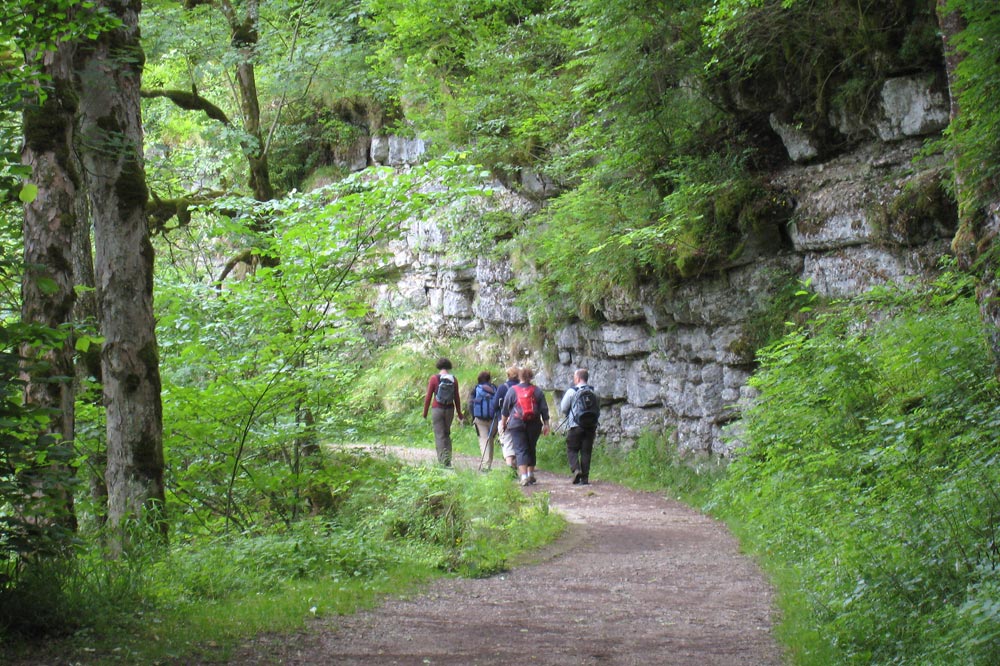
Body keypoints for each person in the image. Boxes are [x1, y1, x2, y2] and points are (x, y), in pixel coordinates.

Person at [500, 367, 550, 486]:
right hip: (534, 424)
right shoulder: (537, 391)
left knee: (520, 449)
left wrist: (503, 423)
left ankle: (523, 477)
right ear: (531, 377)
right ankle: (530, 474)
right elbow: (544, 408)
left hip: (516, 424)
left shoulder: (512, 390)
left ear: (519, 377)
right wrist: (546, 424)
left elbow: (505, 410)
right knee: (531, 447)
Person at [560, 368, 600, 485]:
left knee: (572, 449)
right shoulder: (594, 392)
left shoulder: (572, 392)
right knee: (586, 451)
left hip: (575, 426)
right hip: (590, 426)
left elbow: (563, 408)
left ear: (577, 378)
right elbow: (598, 408)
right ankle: (585, 479)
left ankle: (576, 470)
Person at [422, 357, 463, 467]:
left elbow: (428, 397)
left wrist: (425, 413)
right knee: (447, 433)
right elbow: (457, 397)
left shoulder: (434, 378)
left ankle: (442, 461)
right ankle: (448, 459)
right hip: (450, 409)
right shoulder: (453, 379)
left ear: (438, 366)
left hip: (437, 409)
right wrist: (459, 413)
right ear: (449, 366)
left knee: (439, 435)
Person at [492, 366, 520, 470]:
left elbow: (495, 405)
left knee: (507, 442)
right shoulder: (523, 387)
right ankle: (521, 466)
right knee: (519, 442)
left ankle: (510, 468)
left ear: (508, 375)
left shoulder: (503, 388)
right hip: (521, 419)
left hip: (504, 418)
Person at [470, 370, 498, 471]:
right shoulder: (495, 388)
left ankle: (486, 465)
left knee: (483, 439)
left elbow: (471, 404)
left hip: (480, 418)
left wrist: (473, 417)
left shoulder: (476, 389)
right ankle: (488, 463)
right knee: (490, 440)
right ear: (489, 379)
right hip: (493, 418)